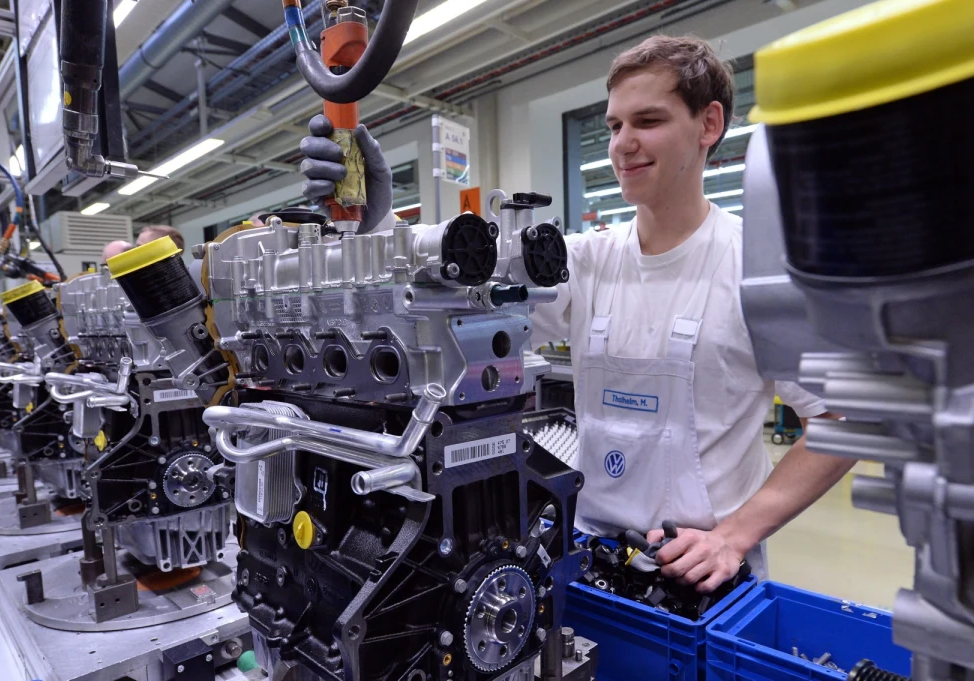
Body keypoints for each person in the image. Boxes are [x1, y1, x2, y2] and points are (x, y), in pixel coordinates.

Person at [297, 35, 853, 591]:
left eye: (648, 121)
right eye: (614, 126)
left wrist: (733, 535)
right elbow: (453, 295)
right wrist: (376, 221)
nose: (623, 144)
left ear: (708, 125)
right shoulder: (584, 262)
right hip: (587, 558)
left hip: (702, 576)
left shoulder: (754, 266)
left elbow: (841, 420)